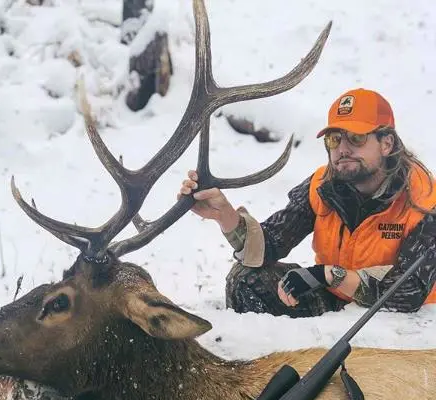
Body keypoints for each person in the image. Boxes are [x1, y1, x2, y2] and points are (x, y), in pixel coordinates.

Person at [179, 88, 436, 318]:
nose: (343, 149)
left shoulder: (426, 201)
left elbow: (409, 292)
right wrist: (224, 214)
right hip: (340, 303)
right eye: (334, 139)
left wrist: (328, 275)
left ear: (386, 143)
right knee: (245, 279)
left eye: (355, 138)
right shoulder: (321, 186)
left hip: (407, 322)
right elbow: (271, 244)